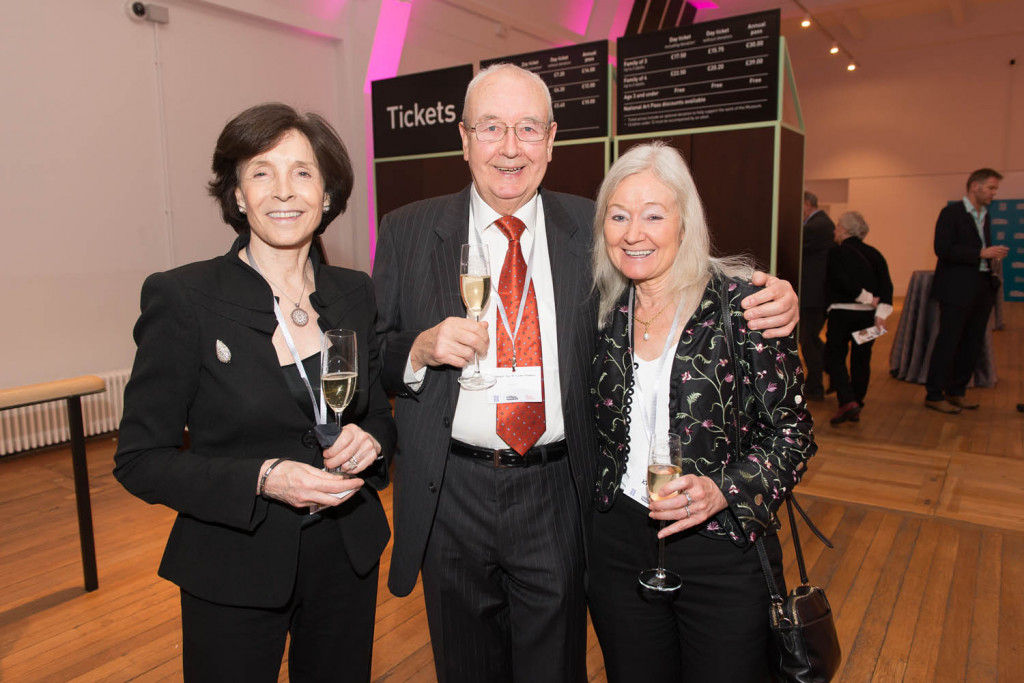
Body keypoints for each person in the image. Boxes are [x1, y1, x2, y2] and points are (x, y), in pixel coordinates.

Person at [372, 63, 800, 683]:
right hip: (450, 493)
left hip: (558, 496)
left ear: (551, 140)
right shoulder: (407, 230)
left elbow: (681, 272)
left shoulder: (596, 230)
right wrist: (417, 349)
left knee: (556, 668)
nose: (510, 148)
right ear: (464, 138)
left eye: (527, 129)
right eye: (492, 128)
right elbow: (377, 358)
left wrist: (776, 297)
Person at [114, 103, 396, 682]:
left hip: (346, 555)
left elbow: (378, 417)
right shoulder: (184, 298)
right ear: (238, 196)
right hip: (234, 562)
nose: (284, 192)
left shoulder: (353, 292)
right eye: (262, 172)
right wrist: (264, 478)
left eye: (303, 173)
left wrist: (372, 443)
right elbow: (140, 461)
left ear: (327, 195)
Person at [588, 142, 815, 681]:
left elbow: (793, 435)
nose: (633, 232)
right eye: (618, 216)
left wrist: (724, 490)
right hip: (618, 542)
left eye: (653, 215)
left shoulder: (744, 306)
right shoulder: (599, 312)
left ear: (684, 223)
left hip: (722, 544)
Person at [924, 168, 1008, 413]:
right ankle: (934, 393)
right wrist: (980, 254)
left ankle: (956, 391)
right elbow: (942, 248)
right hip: (956, 288)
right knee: (949, 341)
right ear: (975, 186)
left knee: (972, 342)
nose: (994, 193)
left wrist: (989, 258)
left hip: (981, 286)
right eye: (991, 188)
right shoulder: (951, 213)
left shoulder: (985, 214)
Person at [823, 211, 894, 425]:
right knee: (861, 359)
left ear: (844, 229)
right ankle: (857, 402)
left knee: (834, 356)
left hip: (842, 315)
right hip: (866, 319)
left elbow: (841, 281)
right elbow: (887, 287)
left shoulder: (836, 253)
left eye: (837, 226)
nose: (834, 230)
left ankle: (847, 400)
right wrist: (880, 313)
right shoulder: (875, 254)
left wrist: (865, 297)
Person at [799, 191, 835, 401]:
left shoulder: (816, 226)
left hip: (813, 296)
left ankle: (816, 384)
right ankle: (823, 375)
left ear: (807, 203)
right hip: (815, 294)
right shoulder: (822, 224)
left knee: (809, 340)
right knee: (810, 339)